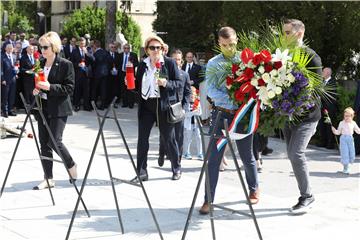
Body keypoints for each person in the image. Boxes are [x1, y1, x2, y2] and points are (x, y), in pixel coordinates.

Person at [199, 27, 259, 215]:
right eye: (225, 45)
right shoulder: (213, 64)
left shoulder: (247, 60)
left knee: (246, 155)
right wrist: (235, 97)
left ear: (237, 40)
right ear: (219, 43)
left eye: (232, 44)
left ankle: (254, 188)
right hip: (222, 114)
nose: (229, 48)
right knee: (214, 159)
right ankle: (208, 200)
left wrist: (245, 98)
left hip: (242, 115)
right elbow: (211, 91)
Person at [282, 19, 323, 214]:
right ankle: (306, 194)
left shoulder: (311, 57)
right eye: (284, 32)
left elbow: (317, 90)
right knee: (292, 154)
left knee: (295, 153)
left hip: (307, 116)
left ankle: (307, 196)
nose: (284, 36)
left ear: (299, 33)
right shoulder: (283, 55)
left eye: (288, 32)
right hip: (287, 114)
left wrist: (298, 102)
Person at [132, 36, 182, 182]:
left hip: (164, 106)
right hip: (147, 106)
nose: (155, 51)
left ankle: (176, 168)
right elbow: (137, 86)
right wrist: (130, 83)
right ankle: (142, 172)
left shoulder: (169, 63)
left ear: (162, 49)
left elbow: (179, 83)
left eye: (158, 47)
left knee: (169, 139)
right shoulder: (143, 65)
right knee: (142, 140)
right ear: (147, 50)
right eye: (152, 48)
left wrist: (166, 83)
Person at [32, 31, 77, 190]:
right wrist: (36, 90)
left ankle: (71, 164)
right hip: (42, 108)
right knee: (44, 143)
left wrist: (50, 87)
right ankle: (48, 178)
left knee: (54, 141)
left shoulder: (65, 64)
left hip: (59, 108)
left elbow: (69, 88)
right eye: (40, 47)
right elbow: (38, 84)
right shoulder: (40, 64)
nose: (42, 50)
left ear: (54, 47)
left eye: (45, 47)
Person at [158, 49, 191, 167]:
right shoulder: (163, 73)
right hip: (166, 108)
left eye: (179, 59)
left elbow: (188, 92)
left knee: (179, 136)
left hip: (179, 110)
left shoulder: (184, 74)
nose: (177, 61)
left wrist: (185, 107)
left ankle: (178, 162)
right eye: (175, 59)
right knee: (164, 135)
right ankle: (162, 153)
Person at [331, 107, 360, 174]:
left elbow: (358, 131)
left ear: (352, 116)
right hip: (343, 139)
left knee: (351, 153)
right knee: (345, 153)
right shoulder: (341, 123)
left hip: (350, 139)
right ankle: (346, 168)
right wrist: (334, 131)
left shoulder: (353, 123)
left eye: (348, 116)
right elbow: (338, 132)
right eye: (345, 116)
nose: (346, 117)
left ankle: (347, 166)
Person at [317, 67, 337, 149]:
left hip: (329, 108)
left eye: (323, 71)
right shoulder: (322, 82)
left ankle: (330, 144)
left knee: (329, 125)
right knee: (322, 125)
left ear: (328, 73)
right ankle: (323, 142)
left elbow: (330, 95)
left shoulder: (333, 83)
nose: (322, 72)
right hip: (321, 107)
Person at [70, 37, 92, 111]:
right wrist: (78, 64)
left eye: (84, 43)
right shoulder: (74, 51)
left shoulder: (88, 50)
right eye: (81, 43)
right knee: (77, 90)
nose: (82, 44)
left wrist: (87, 53)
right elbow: (71, 62)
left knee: (86, 90)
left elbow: (93, 60)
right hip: (78, 73)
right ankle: (77, 105)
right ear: (79, 43)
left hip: (86, 73)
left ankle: (86, 106)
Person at [183, 86, 203, 160]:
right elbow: (185, 114)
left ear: (195, 94)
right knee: (188, 138)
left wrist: (196, 112)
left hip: (197, 124)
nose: (192, 96)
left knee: (199, 138)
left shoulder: (197, 102)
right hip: (189, 124)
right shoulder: (186, 103)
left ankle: (200, 153)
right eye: (190, 94)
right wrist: (193, 112)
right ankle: (186, 153)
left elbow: (200, 113)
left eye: (193, 94)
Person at [119, 43, 139, 108]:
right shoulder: (120, 55)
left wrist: (132, 64)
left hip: (130, 73)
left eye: (128, 48)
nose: (126, 49)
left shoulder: (133, 55)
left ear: (129, 49)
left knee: (130, 89)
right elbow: (118, 63)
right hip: (122, 73)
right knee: (123, 89)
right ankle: (125, 103)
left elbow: (137, 63)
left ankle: (131, 104)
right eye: (125, 48)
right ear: (123, 49)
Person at [1, 43, 18, 117]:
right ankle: (5, 111)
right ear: (5, 49)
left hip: (13, 78)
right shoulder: (2, 57)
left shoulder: (14, 56)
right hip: (6, 79)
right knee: (5, 95)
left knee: (12, 95)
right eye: (9, 48)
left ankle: (10, 110)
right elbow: (0, 69)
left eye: (11, 48)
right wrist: (2, 79)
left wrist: (16, 73)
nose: (10, 49)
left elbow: (15, 66)